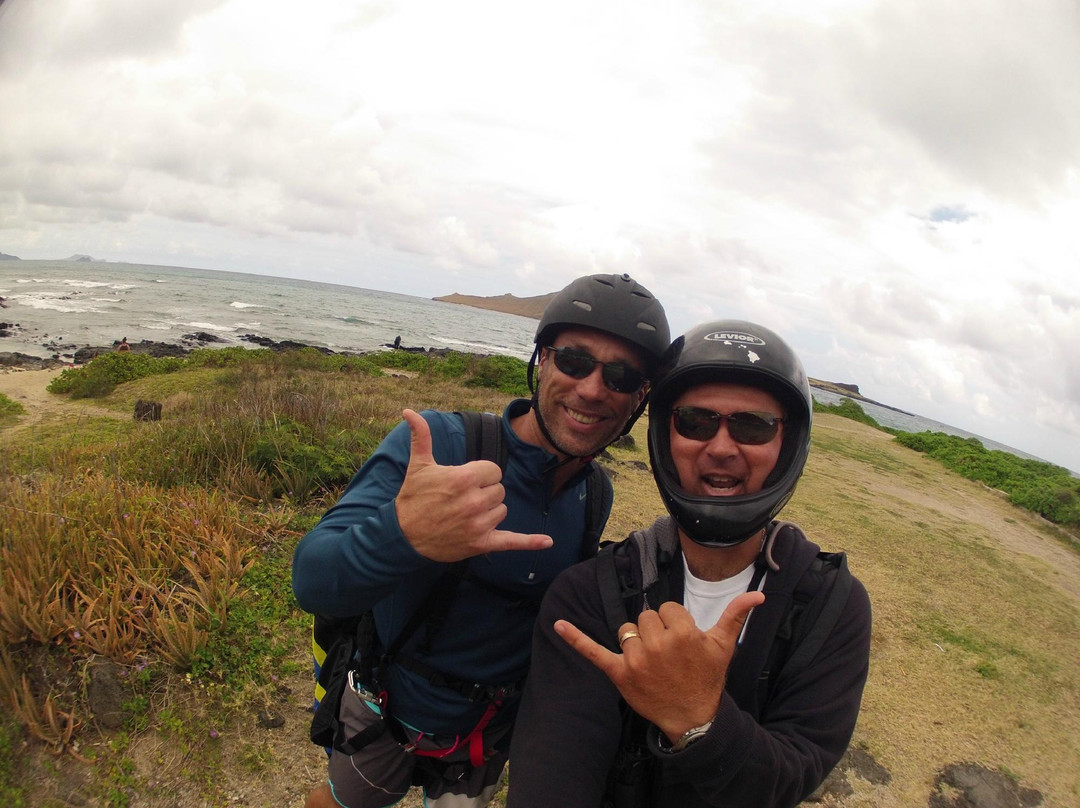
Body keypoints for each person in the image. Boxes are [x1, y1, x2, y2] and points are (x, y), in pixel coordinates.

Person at [292, 273, 670, 808]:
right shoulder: (443, 445)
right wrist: (401, 535)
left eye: (621, 375)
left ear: (640, 398)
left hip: (486, 733)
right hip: (387, 708)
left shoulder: (595, 493)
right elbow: (311, 579)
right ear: (541, 360)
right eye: (574, 360)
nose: (591, 388)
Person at [508, 320, 873, 808]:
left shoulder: (830, 604)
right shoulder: (591, 593)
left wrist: (700, 722)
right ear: (664, 436)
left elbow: (793, 775)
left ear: (787, 445)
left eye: (753, 426)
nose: (721, 448)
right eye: (696, 422)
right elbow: (552, 782)